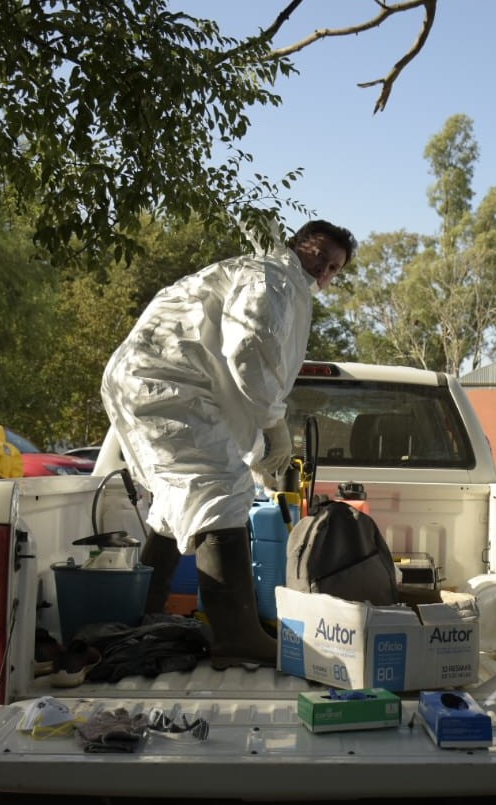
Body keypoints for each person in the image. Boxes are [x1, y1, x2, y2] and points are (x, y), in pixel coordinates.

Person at [100, 219, 355, 670]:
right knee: (221, 487)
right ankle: (235, 635)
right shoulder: (273, 277)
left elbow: (231, 372)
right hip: (166, 385)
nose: (324, 271)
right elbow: (250, 350)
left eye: (333, 268)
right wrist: (275, 424)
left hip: (154, 383)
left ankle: (143, 615)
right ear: (300, 245)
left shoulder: (267, 278)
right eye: (320, 256)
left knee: (175, 501)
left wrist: (257, 445)